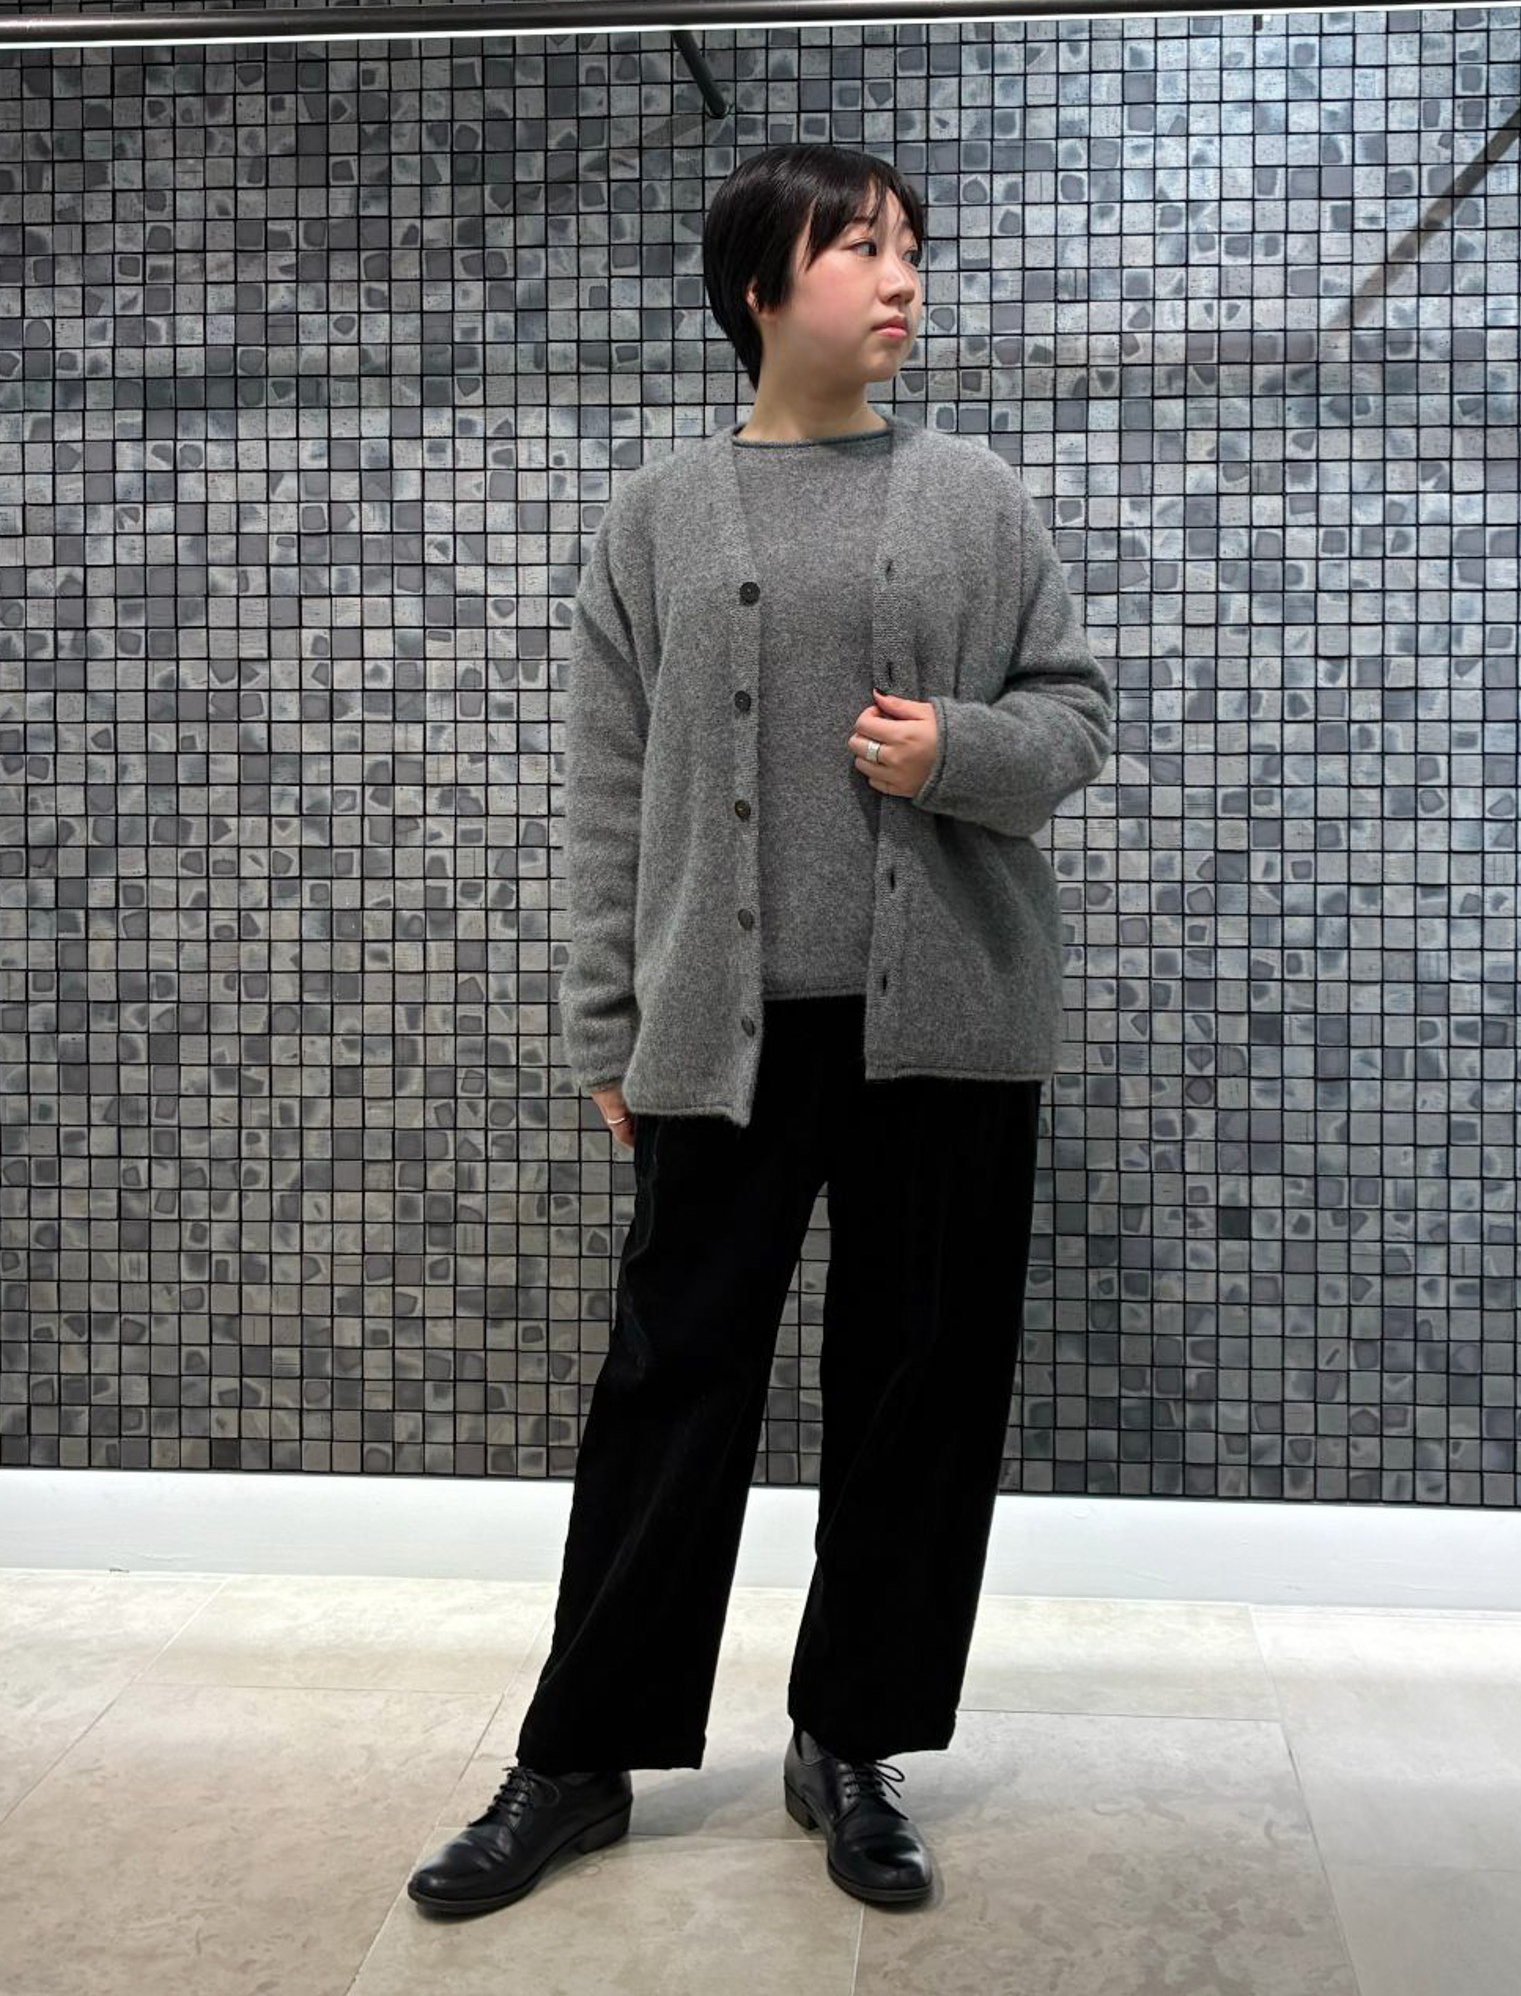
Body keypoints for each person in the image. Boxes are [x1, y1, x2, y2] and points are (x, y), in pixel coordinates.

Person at [409, 142, 1114, 1921]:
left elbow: (1075, 717)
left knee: (918, 1391)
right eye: (859, 248)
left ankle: (851, 1740)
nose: (902, 278)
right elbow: (606, 793)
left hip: (945, 1028)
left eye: (910, 248)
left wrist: (954, 751)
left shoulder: (973, 495)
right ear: (759, 287)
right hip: (722, 1034)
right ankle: (579, 1755)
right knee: (671, 1382)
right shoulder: (659, 516)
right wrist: (606, 1020)